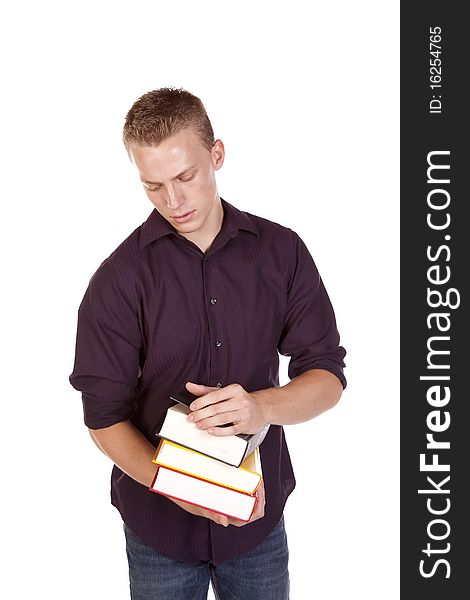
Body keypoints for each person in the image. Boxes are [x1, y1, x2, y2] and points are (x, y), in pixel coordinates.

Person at [69, 87, 347, 600]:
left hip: (258, 524)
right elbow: (104, 418)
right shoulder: (118, 279)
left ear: (216, 155)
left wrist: (260, 405)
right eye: (152, 185)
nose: (172, 201)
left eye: (185, 177)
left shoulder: (281, 251)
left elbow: (327, 377)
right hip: (159, 529)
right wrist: (177, 484)